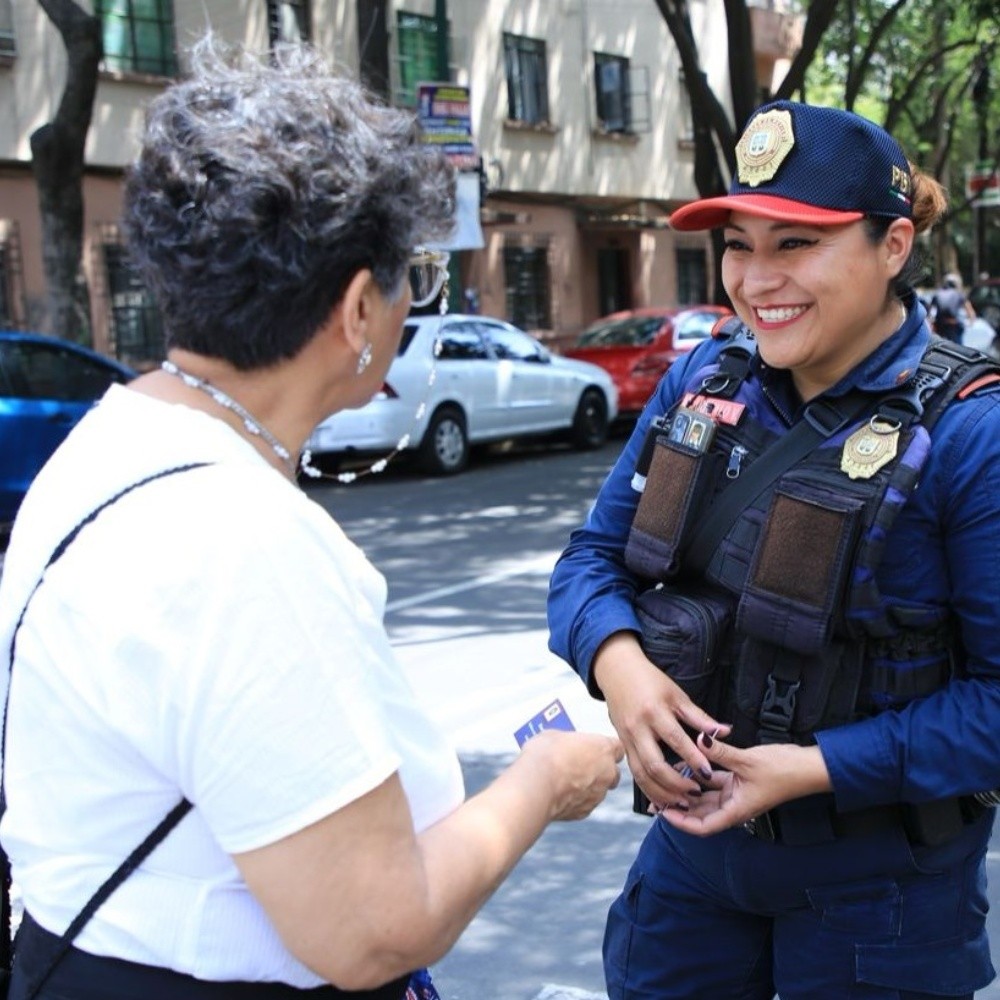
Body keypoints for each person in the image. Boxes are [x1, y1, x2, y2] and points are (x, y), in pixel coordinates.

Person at [0, 39, 623, 1000]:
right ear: (357, 309)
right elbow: (376, 929)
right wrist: (542, 780)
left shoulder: (113, 442)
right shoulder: (238, 538)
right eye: (410, 275)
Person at [548, 99, 1000, 1000]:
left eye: (796, 244)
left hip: (880, 897)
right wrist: (621, 665)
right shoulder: (703, 378)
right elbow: (591, 558)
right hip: (691, 868)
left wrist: (816, 769)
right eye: (739, 245)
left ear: (895, 247)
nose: (756, 282)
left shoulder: (970, 433)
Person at [930, 272, 976, 342]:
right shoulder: (959, 294)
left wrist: (932, 323)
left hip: (940, 325)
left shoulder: (937, 294)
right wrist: (971, 321)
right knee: (958, 348)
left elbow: (931, 312)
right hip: (953, 325)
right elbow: (969, 310)